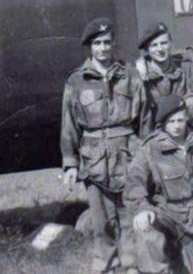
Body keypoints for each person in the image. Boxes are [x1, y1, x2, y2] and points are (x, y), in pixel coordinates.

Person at [60, 17, 148, 273]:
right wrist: (70, 163)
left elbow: (143, 118)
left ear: (113, 44)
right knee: (101, 222)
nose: (103, 48)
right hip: (94, 159)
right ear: (90, 47)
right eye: (97, 43)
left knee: (130, 217)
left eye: (107, 42)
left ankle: (132, 266)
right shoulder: (77, 81)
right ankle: (106, 266)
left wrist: (145, 156)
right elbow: (69, 124)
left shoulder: (129, 75)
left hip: (128, 154)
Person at [124, 95, 193, 274]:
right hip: (167, 212)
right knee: (146, 227)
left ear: (187, 119)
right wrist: (142, 207)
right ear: (163, 123)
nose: (176, 125)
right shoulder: (151, 147)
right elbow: (135, 179)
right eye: (171, 121)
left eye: (180, 120)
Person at [135, 21, 193, 129]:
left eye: (164, 43)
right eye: (154, 45)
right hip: (153, 132)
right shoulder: (140, 74)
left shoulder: (184, 67)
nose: (160, 49)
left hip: (181, 129)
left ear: (171, 43)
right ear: (146, 50)